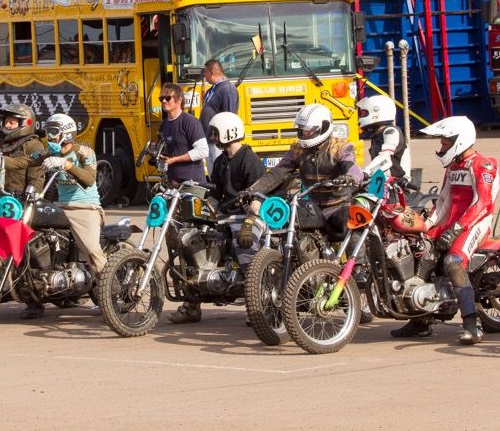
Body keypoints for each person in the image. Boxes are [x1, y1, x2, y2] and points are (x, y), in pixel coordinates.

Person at [394, 116, 497, 344]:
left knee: (452, 262)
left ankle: (471, 323)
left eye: (445, 143)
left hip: (475, 222)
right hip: (452, 221)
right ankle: (420, 320)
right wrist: (426, 226)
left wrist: (456, 229)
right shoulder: (453, 166)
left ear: (459, 141)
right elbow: (443, 201)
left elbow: (483, 203)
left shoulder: (483, 165)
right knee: (420, 254)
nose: (441, 148)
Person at [165, 111, 266, 325]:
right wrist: (199, 201)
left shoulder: (251, 161)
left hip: (248, 216)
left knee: (246, 249)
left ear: (229, 133)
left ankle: (257, 307)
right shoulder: (221, 161)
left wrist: (249, 219)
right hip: (225, 217)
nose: (212, 138)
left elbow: (259, 196)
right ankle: (192, 305)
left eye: (215, 133)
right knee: (192, 245)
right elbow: (216, 194)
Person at [246, 103, 363, 239]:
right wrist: (252, 190)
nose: (304, 133)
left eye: (309, 130)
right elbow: (277, 173)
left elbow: (353, 168)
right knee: (288, 221)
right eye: (302, 129)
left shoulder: (341, 147)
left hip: (338, 206)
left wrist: (349, 177)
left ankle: (358, 261)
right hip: (312, 207)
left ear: (324, 128)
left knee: (351, 222)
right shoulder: (298, 149)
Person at [36, 113, 103, 317]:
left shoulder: (84, 152)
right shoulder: (49, 153)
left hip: (85, 207)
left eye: (54, 132)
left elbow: (90, 179)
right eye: (48, 132)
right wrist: (0, 158)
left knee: (92, 251)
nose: (50, 137)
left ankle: (111, 294)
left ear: (67, 133)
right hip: (60, 206)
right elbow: (25, 162)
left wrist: (67, 165)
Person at [157, 83, 208, 185]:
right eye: (161, 98)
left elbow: (203, 151)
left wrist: (175, 159)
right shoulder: (163, 125)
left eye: (167, 98)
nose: (163, 101)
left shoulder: (189, 122)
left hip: (192, 183)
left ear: (179, 100)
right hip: (172, 183)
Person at [357, 94, 410, 180]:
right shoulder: (377, 135)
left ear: (377, 111)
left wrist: (365, 172)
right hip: (383, 183)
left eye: (365, 113)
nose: (361, 117)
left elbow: (386, 159)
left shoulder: (391, 132)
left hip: (398, 185)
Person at [198, 60, 239, 128]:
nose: (204, 74)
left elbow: (229, 117)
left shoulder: (228, 89)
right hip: (208, 135)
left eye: (205, 71)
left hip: (217, 137)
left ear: (212, 72)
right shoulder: (211, 90)